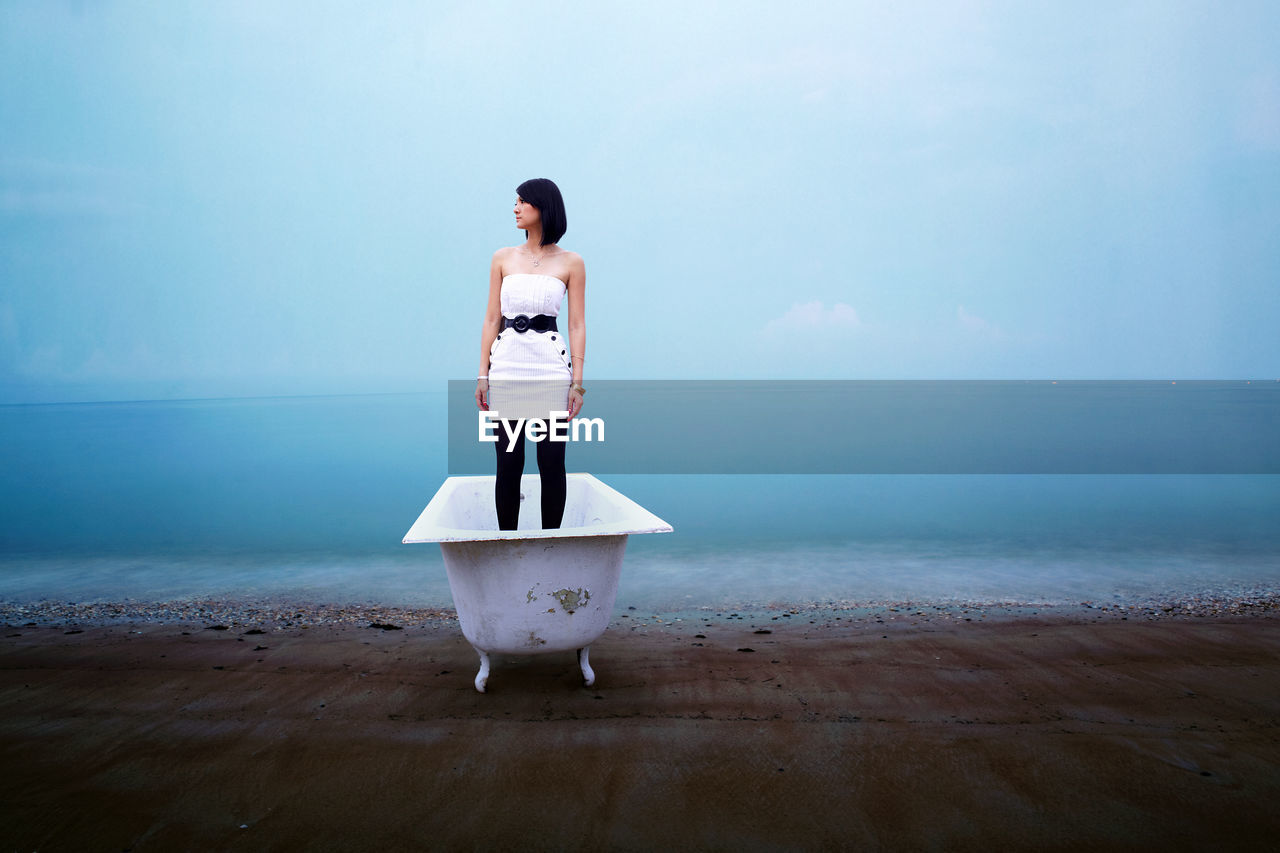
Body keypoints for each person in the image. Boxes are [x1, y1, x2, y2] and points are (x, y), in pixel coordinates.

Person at [475, 178, 586, 530]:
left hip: (552, 369)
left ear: (544, 207)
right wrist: (482, 372)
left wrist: (577, 385)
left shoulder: (572, 262)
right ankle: (509, 543)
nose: (515, 208)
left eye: (523, 201)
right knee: (508, 462)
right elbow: (492, 317)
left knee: (552, 462)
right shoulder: (502, 258)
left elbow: (577, 325)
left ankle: (551, 542)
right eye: (516, 201)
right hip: (507, 364)